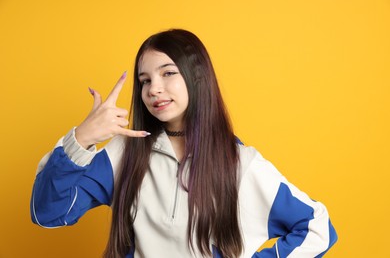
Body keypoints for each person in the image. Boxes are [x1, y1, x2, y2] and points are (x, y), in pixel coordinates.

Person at [30, 29, 337, 258]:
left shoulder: (240, 164)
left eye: (168, 73)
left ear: (197, 78)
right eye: (145, 80)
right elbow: (46, 213)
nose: (154, 89)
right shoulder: (124, 153)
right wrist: (81, 139)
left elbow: (317, 228)